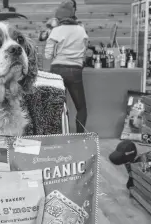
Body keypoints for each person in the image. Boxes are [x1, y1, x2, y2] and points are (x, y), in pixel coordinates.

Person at [44, 0, 88, 133]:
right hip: (75, 71)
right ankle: (80, 136)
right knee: (81, 108)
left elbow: (48, 55)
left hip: (57, 70)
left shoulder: (56, 31)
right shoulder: (81, 30)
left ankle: (61, 136)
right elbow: (84, 51)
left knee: (58, 107)